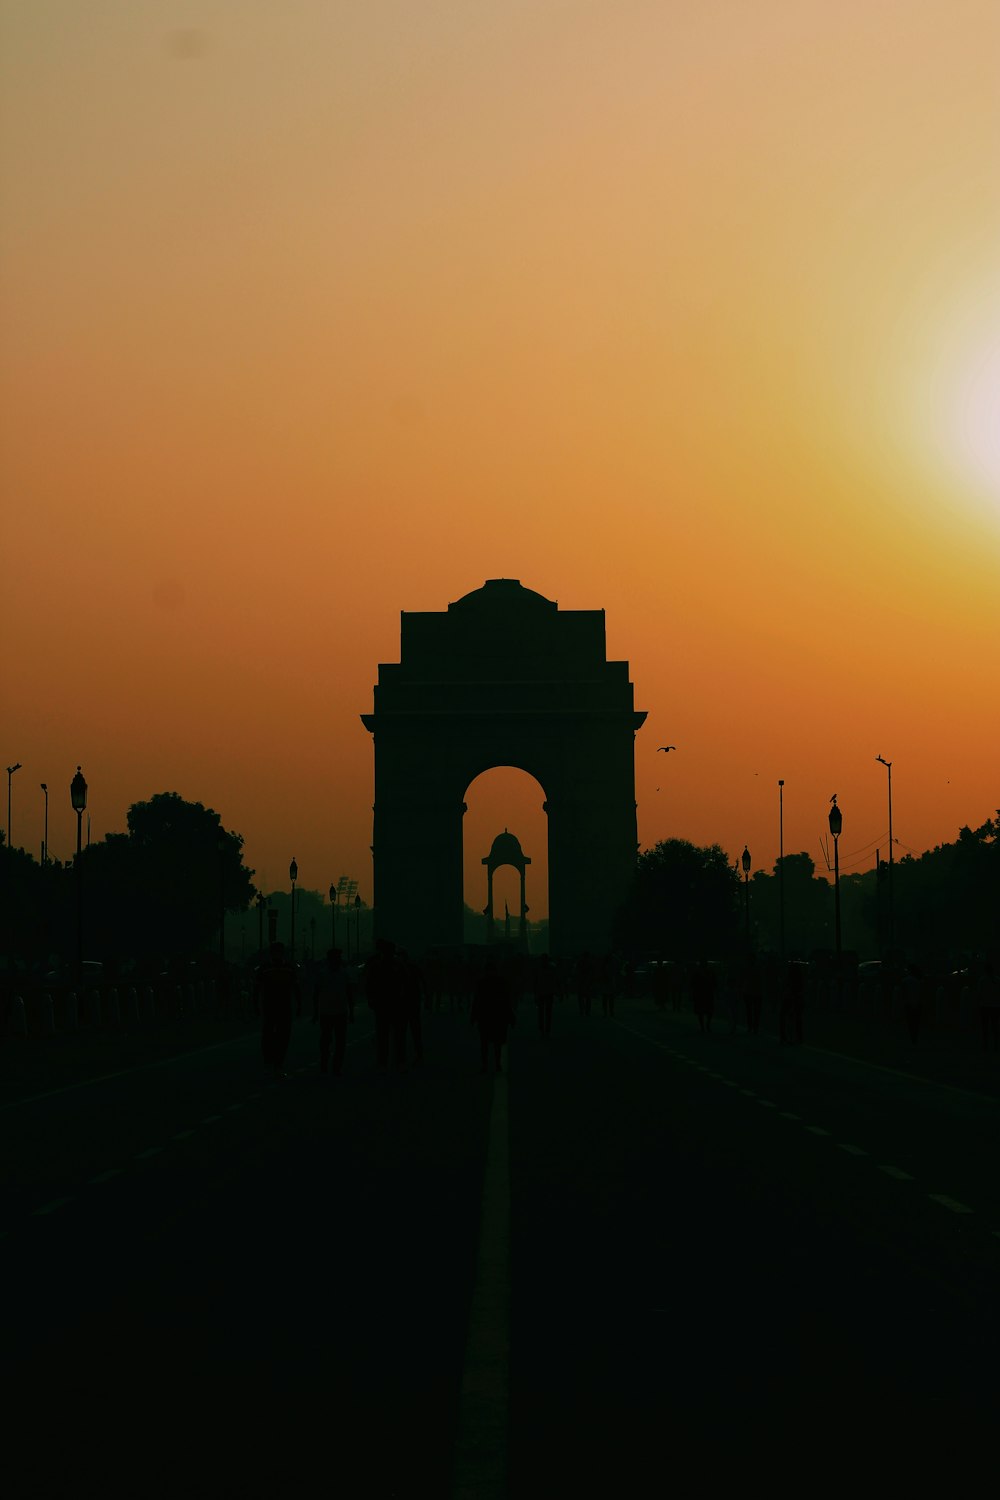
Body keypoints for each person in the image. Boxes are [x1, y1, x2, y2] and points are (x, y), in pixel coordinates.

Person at [253, 941, 301, 1079]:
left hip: (280, 1007)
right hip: (272, 1007)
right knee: (270, 1036)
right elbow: (257, 988)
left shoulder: (276, 968)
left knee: (281, 1037)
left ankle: (276, 1064)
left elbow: (296, 987)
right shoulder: (270, 968)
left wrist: (299, 1004)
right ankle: (271, 1064)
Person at [312, 948, 354, 1075]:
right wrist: (315, 1012)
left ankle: (335, 1066)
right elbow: (316, 994)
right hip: (328, 1012)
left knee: (339, 1041)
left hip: (338, 1012)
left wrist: (351, 1011)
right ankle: (326, 1063)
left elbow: (349, 993)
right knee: (327, 1040)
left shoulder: (343, 974)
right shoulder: (323, 974)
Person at [365, 938, 403, 1071]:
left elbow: (369, 983)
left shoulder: (377, 965)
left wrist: (371, 998)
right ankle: (395, 1061)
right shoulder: (396, 965)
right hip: (389, 1002)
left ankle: (385, 1061)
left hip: (387, 1002)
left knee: (385, 1034)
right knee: (393, 1034)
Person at [471, 959, 515, 1073]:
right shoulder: (501, 982)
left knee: (484, 1043)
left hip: (485, 1016)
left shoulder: (481, 982)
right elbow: (506, 1001)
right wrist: (511, 1017)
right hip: (498, 1016)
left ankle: (485, 1065)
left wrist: (473, 1016)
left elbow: (476, 1001)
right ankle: (497, 1064)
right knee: (497, 1043)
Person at [534, 953, 558, 1039]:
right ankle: (546, 1030)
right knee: (547, 1012)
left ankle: (543, 1029)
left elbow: (535, 982)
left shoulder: (539, 968)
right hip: (547, 993)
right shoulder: (552, 968)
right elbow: (554, 981)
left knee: (542, 1012)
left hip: (542, 992)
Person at [690, 959, 716, 1034]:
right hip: (706, 993)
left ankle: (703, 1026)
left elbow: (692, 984)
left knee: (701, 1011)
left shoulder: (697, 973)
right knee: (708, 1011)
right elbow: (714, 983)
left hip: (701, 994)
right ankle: (706, 1025)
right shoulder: (710, 972)